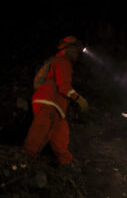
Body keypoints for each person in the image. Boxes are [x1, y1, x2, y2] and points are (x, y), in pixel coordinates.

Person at [23, 36, 88, 165]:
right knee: (40, 132)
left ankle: (66, 163)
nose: (77, 53)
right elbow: (63, 86)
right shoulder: (63, 62)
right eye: (75, 49)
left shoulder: (61, 62)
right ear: (67, 49)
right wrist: (78, 98)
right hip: (49, 101)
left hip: (56, 106)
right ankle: (24, 161)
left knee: (60, 136)